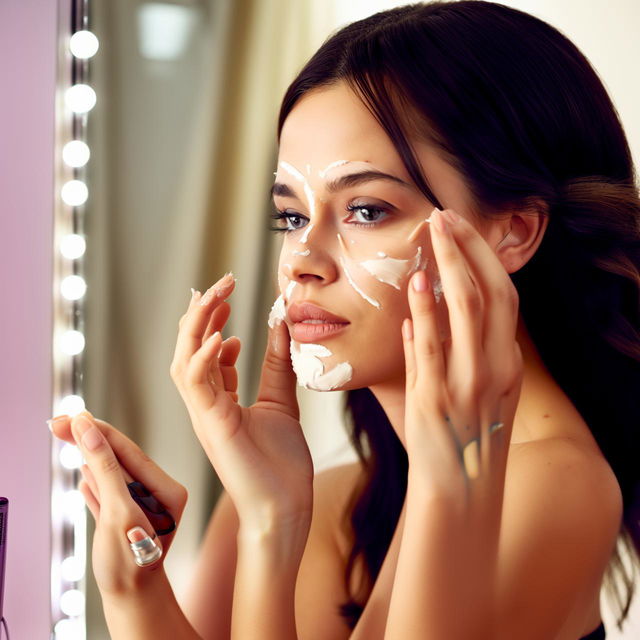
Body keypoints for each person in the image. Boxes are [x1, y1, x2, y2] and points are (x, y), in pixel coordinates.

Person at [49, 1, 640, 638]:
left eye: (365, 209)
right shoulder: (356, 497)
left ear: (512, 233)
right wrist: (252, 532)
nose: (301, 260)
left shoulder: (547, 482)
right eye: (292, 217)